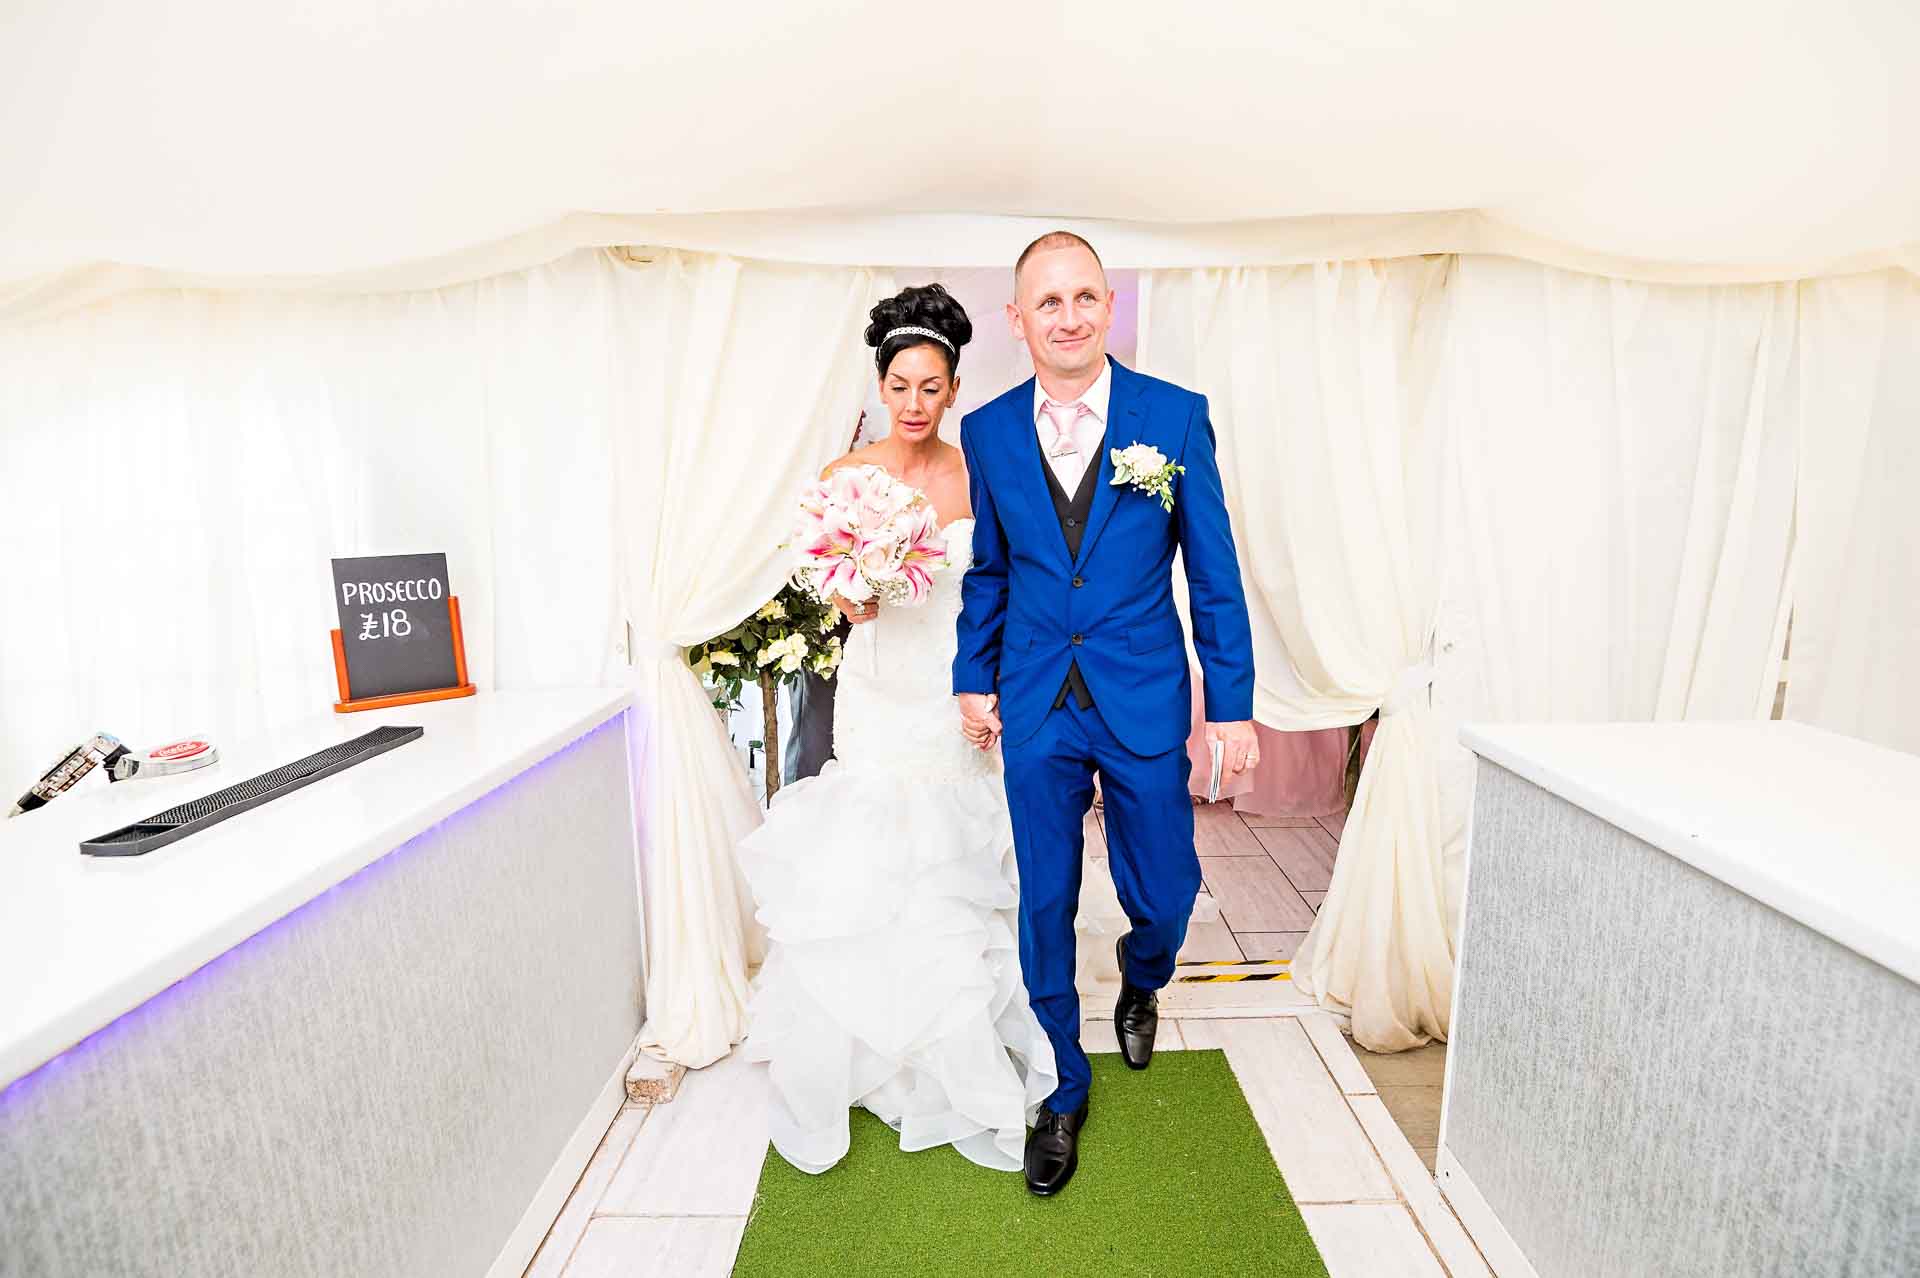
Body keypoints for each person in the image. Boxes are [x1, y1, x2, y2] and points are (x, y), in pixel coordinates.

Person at [953, 232, 1258, 1196]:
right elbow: (991, 569)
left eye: (1087, 296)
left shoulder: (1173, 419)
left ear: (1109, 307)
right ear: (1018, 320)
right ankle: (1060, 1086)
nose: (1071, 315)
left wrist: (1234, 704)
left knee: (1164, 887)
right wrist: (973, 672)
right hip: (1038, 696)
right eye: (1050, 301)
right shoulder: (990, 432)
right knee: (1044, 897)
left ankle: (1143, 970)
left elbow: (1213, 571)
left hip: (1142, 692)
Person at [738, 284, 1057, 1175]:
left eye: (932, 387)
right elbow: (831, 600)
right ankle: (870, 1049)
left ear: (954, 388)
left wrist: (989, 687)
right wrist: (858, 585)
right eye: (901, 386)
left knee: (953, 869)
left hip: (954, 697)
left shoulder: (976, 472)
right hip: (879, 691)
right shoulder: (846, 480)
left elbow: (1001, 586)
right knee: (874, 858)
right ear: (881, 386)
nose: (915, 404)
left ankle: (954, 1048)